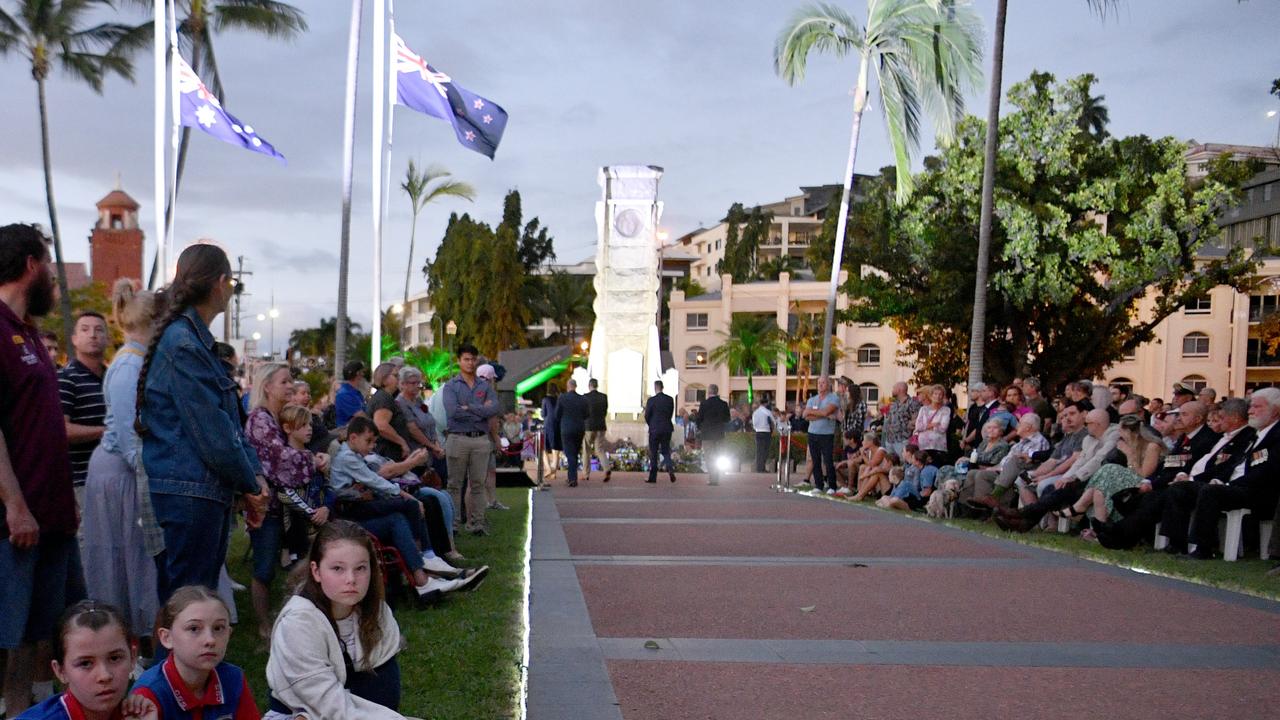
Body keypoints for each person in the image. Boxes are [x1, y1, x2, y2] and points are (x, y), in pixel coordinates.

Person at [137, 243, 269, 605]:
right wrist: (252, 484)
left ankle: (187, 663)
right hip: (189, 492)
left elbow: (228, 425)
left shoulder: (192, 340)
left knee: (192, 602)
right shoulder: (183, 343)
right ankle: (174, 664)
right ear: (221, 283)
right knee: (188, 606)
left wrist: (253, 479)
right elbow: (214, 434)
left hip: (197, 489)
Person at [0, 224, 85, 717]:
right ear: (31, 264)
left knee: (44, 628)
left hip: (51, 513)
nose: (53, 276)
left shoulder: (29, 331)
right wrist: (14, 504)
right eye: (49, 265)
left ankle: (32, 708)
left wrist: (62, 494)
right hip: (16, 520)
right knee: (8, 631)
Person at [266, 521, 424, 720]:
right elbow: (326, 704)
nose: (351, 579)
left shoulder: (378, 613)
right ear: (316, 571)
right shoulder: (298, 623)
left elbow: (385, 690)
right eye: (338, 569)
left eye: (360, 568)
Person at [82, 280, 161, 642]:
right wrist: (153, 478)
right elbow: (132, 437)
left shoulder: (134, 361)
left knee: (134, 555)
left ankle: (138, 635)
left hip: (121, 467)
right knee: (127, 555)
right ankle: (130, 635)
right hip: (121, 471)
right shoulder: (129, 367)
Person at [244, 363, 332, 640]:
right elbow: (280, 460)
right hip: (268, 506)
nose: (291, 385)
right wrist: (313, 460)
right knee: (265, 567)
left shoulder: (277, 417)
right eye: (285, 381)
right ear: (267, 386)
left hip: (288, 507)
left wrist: (319, 456)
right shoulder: (260, 419)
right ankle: (264, 625)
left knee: (300, 559)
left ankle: (296, 618)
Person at [130, 586, 259, 719]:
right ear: (166, 638)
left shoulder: (233, 679)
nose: (210, 640)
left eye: (218, 628)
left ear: (229, 634)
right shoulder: (149, 694)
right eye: (194, 629)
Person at [15, 601, 155, 720]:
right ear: (60, 671)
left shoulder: (140, 713)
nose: (104, 675)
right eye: (85, 663)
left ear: (133, 657)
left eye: (114, 658)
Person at [1063, 414, 1164, 529]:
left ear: (1130, 432)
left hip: (1146, 483)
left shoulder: (1152, 446)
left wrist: (1129, 454)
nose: (1119, 435)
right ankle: (1098, 530)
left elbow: (1144, 474)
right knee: (1099, 490)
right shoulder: (1132, 444)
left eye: (1121, 431)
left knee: (1109, 469)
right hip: (1131, 480)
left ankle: (1080, 507)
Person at [442, 344, 501, 535]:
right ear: (459, 361)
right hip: (458, 437)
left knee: (478, 483)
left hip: (480, 439)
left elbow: (493, 409)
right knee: (454, 485)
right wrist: (480, 410)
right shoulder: (451, 386)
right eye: (466, 359)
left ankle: (477, 524)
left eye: (473, 359)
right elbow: (452, 412)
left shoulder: (484, 386)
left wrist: (470, 408)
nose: (470, 363)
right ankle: (453, 524)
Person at [60, 311, 109, 497]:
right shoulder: (66, 378)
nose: (93, 335)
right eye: (85, 329)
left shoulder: (112, 377)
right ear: (74, 339)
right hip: (83, 481)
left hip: (116, 477)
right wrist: (107, 431)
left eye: (99, 330)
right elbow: (61, 430)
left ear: (107, 339)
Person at [394, 367, 447, 485]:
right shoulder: (400, 403)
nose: (417, 386)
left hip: (431, 451)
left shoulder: (418, 400)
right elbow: (412, 429)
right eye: (413, 383)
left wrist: (436, 444)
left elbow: (430, 421)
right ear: (402, 384)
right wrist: (433, 446)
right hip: (415, 453)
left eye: (419, 383)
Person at [804, 376, 842, 494]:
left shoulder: (833, 398)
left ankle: (832, 486)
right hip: (812, 433)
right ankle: (818, 485)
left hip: (826, 434)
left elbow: (826, 410)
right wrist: (825, 415)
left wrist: (815, 412)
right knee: (815, 460)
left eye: (823, 382)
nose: (820, 385)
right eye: (819, 383)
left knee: (828, 460)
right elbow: (806, 415)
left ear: (828, 384)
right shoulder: (812, 399)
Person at [557, 379, 589, 487]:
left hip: (566, 428)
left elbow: (557, 414)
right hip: (579, 428)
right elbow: (586, 414)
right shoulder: (582, 399)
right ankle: (572, 477)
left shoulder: (562, 398)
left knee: (570, 453)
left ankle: (572, 478)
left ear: (568, 386)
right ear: (576, 386)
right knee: (574, 453)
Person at [697, 385, 731, 485]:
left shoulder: (704, 404)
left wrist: (701, 428)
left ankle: (713, 477)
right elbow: (727, 419)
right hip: (719, 434)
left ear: (709, 391)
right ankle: (717, 476)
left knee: (709, 456)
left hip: (707, 434)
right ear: (717, 391)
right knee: (719, 455)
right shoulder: (723, 404)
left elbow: (699, 419)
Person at [644, 380, 676, 484]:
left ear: (655, 387)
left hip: (654, 429)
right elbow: (670, 413)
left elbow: (647, 415)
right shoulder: (670, 399)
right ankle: (670, 468)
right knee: (665, 450)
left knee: (653, 452)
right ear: (663, 387)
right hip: (666, 428)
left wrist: (651, 424)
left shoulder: (651, 400)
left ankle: (653, 477)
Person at [583, 378, 612, 483]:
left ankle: (586, 474)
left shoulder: (585, 397)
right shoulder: (604, 397)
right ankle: (607, 469)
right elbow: (605, 411)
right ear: (597, 385)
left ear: (589, 386)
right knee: (599, 450)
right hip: (601, 426)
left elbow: (584, 412)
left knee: (586, 450)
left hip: (588, 427)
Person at [882, 382, 920, 458]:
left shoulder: (912, 403)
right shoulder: (893, 403)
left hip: (903, 439)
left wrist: (907, 427)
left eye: (894, 388)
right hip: (890, 440)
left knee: (903, 462)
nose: (892, 390)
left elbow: (916, 420)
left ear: (899, 390)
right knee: (891, 463)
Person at [912, 384, 952, 455]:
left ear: (943, 396)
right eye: (935, 394)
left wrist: (925, 427)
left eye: (940, 394)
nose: (938, 396)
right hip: (923, 445)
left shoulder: (946, 410)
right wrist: (933, 425)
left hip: (938, 446)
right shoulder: (923, 409)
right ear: (931, 395)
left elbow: (943, 428)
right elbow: (918, 426)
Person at [334, 361, 367, 428]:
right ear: (358, 373)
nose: (363, 375)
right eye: (362, 372)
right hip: (348, 434)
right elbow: (361, 416)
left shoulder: (355, 392)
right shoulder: (344, 394)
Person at [540, 384, 562, 483]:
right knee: (556, 450)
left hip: (548, 425)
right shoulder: (559, 400)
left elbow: (543, 414)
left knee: (543, 449)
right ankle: (553, 473)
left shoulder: (545, 400)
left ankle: (548, 468)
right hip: (557, 425)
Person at [751, 398, 775, 473]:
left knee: (759, 451)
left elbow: (754, 424)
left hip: (758, 432)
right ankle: (763, 467)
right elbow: (773, 421)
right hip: (766, 432)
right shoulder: (767, 412)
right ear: (766, 403)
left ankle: (759, 468)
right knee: (765, 451)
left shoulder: (755, 412)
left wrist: (757, 429)